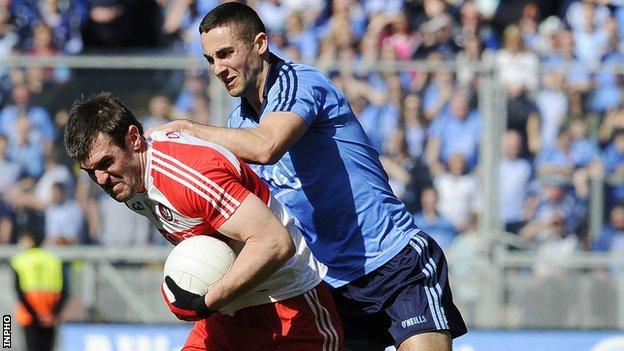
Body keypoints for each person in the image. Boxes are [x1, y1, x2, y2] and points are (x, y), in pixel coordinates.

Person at [150, 3, 466, 350]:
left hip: (394, 262)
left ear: (259, 44)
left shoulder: (299, 83)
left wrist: (188, 129)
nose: (218, 68)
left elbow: (267, 146)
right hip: (332, 285)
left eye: (226, 53)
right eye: (210, 59)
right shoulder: (237, 126)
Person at [63, 92, 343, 351]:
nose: (100, 179)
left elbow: (275, 242)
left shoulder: (188, 175)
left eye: (105, 163)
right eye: (90, 172)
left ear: (134, 139)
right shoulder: (130, 182)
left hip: (289, 306)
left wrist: (206, 302)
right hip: (229, 312)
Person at [10, 229, 69, 351]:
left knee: (31, 347)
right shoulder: (53, 259)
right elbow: (65, 290)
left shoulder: (20, 260)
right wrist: (53, 314)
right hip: (50, 312)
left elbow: (18, 291)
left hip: (29, 314)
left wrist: (35, 315)